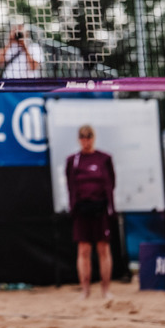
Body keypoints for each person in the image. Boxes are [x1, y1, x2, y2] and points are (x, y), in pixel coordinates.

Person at [65, 124, 116, 299]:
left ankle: (105, 290)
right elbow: (70, 185)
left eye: (88, 137)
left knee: (103, 249)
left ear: (93, 138)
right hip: (82, 210)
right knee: (83, 250)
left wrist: (108, 205)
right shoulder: (73, 161)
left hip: (100, 209)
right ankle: (85, 290)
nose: (85, 141)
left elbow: (111, 183)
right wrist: (74, 206)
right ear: (79, 139)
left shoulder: (104, 159)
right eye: (82, 137)